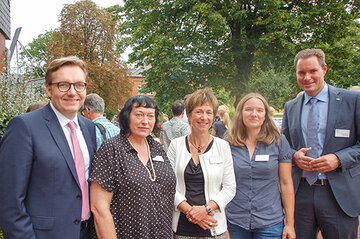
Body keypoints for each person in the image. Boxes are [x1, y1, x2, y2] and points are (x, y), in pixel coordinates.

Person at [0, 56, 97, 239]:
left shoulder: (88, 128)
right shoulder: (24, 127)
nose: (72, 92)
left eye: (79, 85)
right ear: (48, 90)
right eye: (63, 85)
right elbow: (9, 202)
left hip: (85, 233)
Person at [282, 48, 360, 239]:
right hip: (301, 193)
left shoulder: (352, 100)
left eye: (313, 71)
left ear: (324, 69)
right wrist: (294, 155)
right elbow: (284, 145)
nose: (307, 77)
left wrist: (338, 158)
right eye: (301, 72)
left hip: (338, 195)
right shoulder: (290, 107)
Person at [89, 95, 176, 238]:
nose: (145, 121)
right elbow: (99, 208)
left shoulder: (156, 148)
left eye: (150, 116)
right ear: (126, 117)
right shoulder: (112, 149)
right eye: (139, 115)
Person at [167, 88, 236, 239]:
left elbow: (230, 188)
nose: (204, 117)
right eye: (199, 111)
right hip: (181, 228)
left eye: (209, 112)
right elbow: (168, 185)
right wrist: (191, 212)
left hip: (213, 226)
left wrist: (205, 209)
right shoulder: (176, 146)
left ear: (213, 116)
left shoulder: (222, 147)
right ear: (189, 115)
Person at [225, 93, 295, 239]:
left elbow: (286, 183)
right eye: (249, 109)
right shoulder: (227, 144)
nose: (254, 114)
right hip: (235, 220)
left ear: (265, 115)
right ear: (240, 113)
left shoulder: (279, 142)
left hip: (270, 222)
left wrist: (289, 224)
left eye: (259, 110)